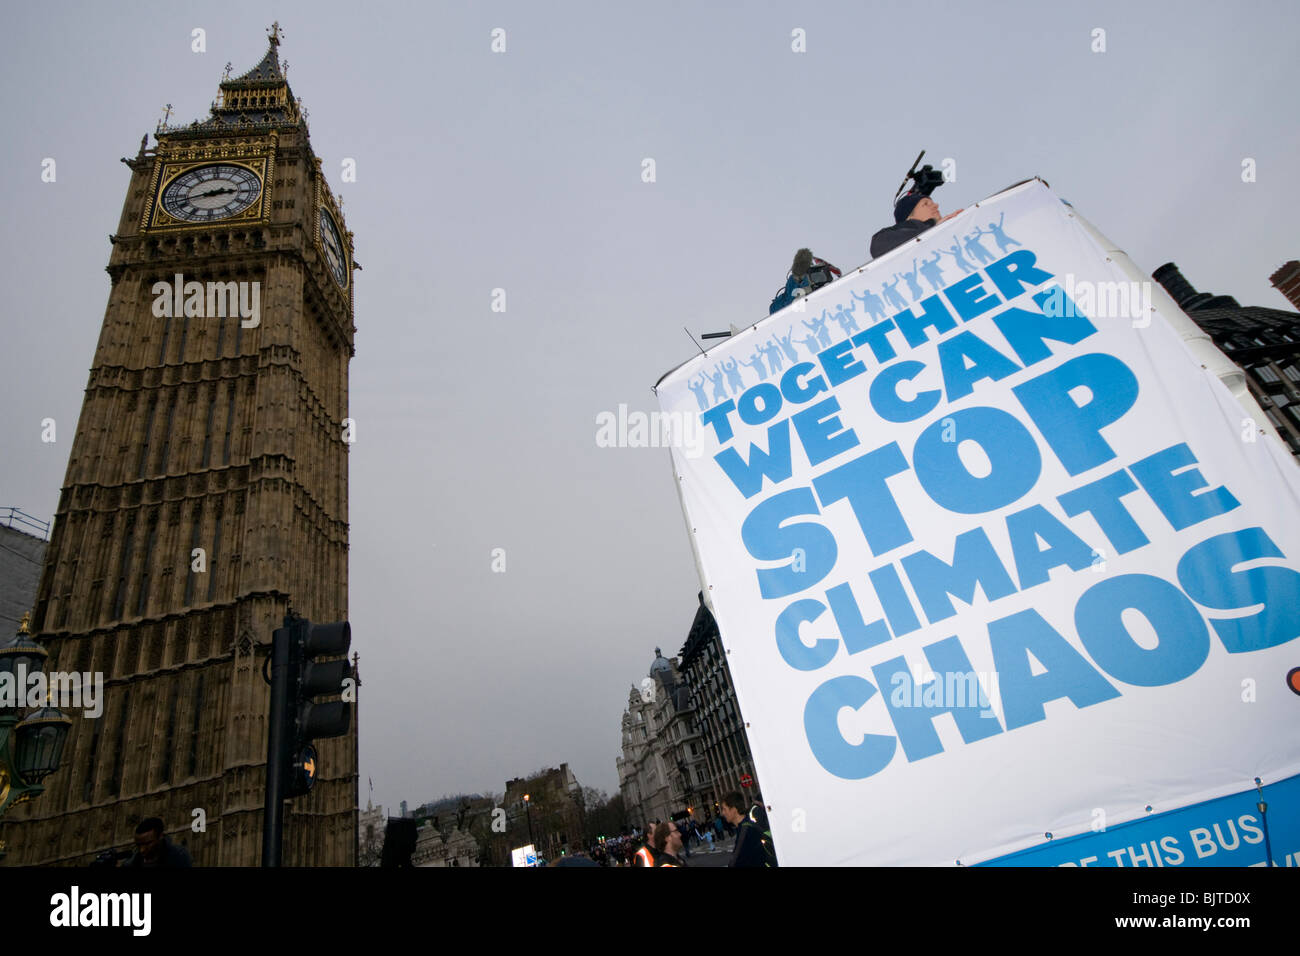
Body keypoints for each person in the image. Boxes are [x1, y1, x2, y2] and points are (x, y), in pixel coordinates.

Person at [869, 191, 964, 260]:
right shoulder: (885, 238)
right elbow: (878, 247)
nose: (936, 206)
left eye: (933, 203)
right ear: (909, 216)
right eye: (926, 204)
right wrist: (931, 228)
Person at [720, 791, 777, 868]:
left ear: (734, 809)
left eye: (724, 809)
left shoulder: (745, 832)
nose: (722, 813)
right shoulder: (748, 824)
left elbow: (738, 862)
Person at [125, 817, 193, 868]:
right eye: (138, 845)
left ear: (160, 836)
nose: (142, 850)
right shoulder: (131, 863)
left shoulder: (178, 856)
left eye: (147, 844)